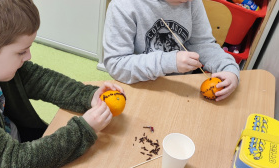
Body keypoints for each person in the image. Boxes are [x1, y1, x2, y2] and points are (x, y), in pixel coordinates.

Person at [0, 0, 124, 168]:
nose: (28, 57)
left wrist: (88, 96)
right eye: (21, 52)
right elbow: (14, 163)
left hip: (18, 152)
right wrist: (84, 129)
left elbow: (43, 80)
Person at [103, 0, 240, 101]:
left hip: (181, 89)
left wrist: (228, 68)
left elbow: (202, 43)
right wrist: (169, 61)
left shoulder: (192, 2)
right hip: (139, 86)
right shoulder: (122, 6)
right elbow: (116, 64)